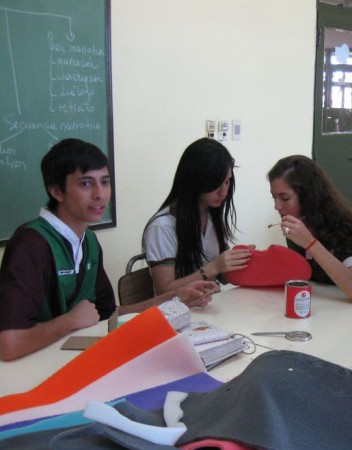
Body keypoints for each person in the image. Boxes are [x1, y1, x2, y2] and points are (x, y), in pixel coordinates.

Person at [0, 139, 218, 362]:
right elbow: (9, 344)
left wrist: (174, 297)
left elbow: (109, 314)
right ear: (57, 191)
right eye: (86, 184)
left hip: (75, 360)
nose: (100, 194)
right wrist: (71, 320)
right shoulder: (31, 244)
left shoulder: (89, 240)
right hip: (32, 369)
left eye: (105, 182)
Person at [143, 138, 252, 293]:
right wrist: (214, 267)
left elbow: (223, 277)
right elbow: (164, 291)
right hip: (179, 307)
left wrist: (240, 260)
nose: (223, 192)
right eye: (216, 184)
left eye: (227, 182)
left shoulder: (212, 215)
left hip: (210, 301)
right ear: (195, 181)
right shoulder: (162, 227)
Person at [267, 155, 352, 305]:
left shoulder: (343, 228)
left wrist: (310, 243)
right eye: (274, 198)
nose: (277, 206)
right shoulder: (295, 227)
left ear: (307, 195)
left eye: (285, 198)